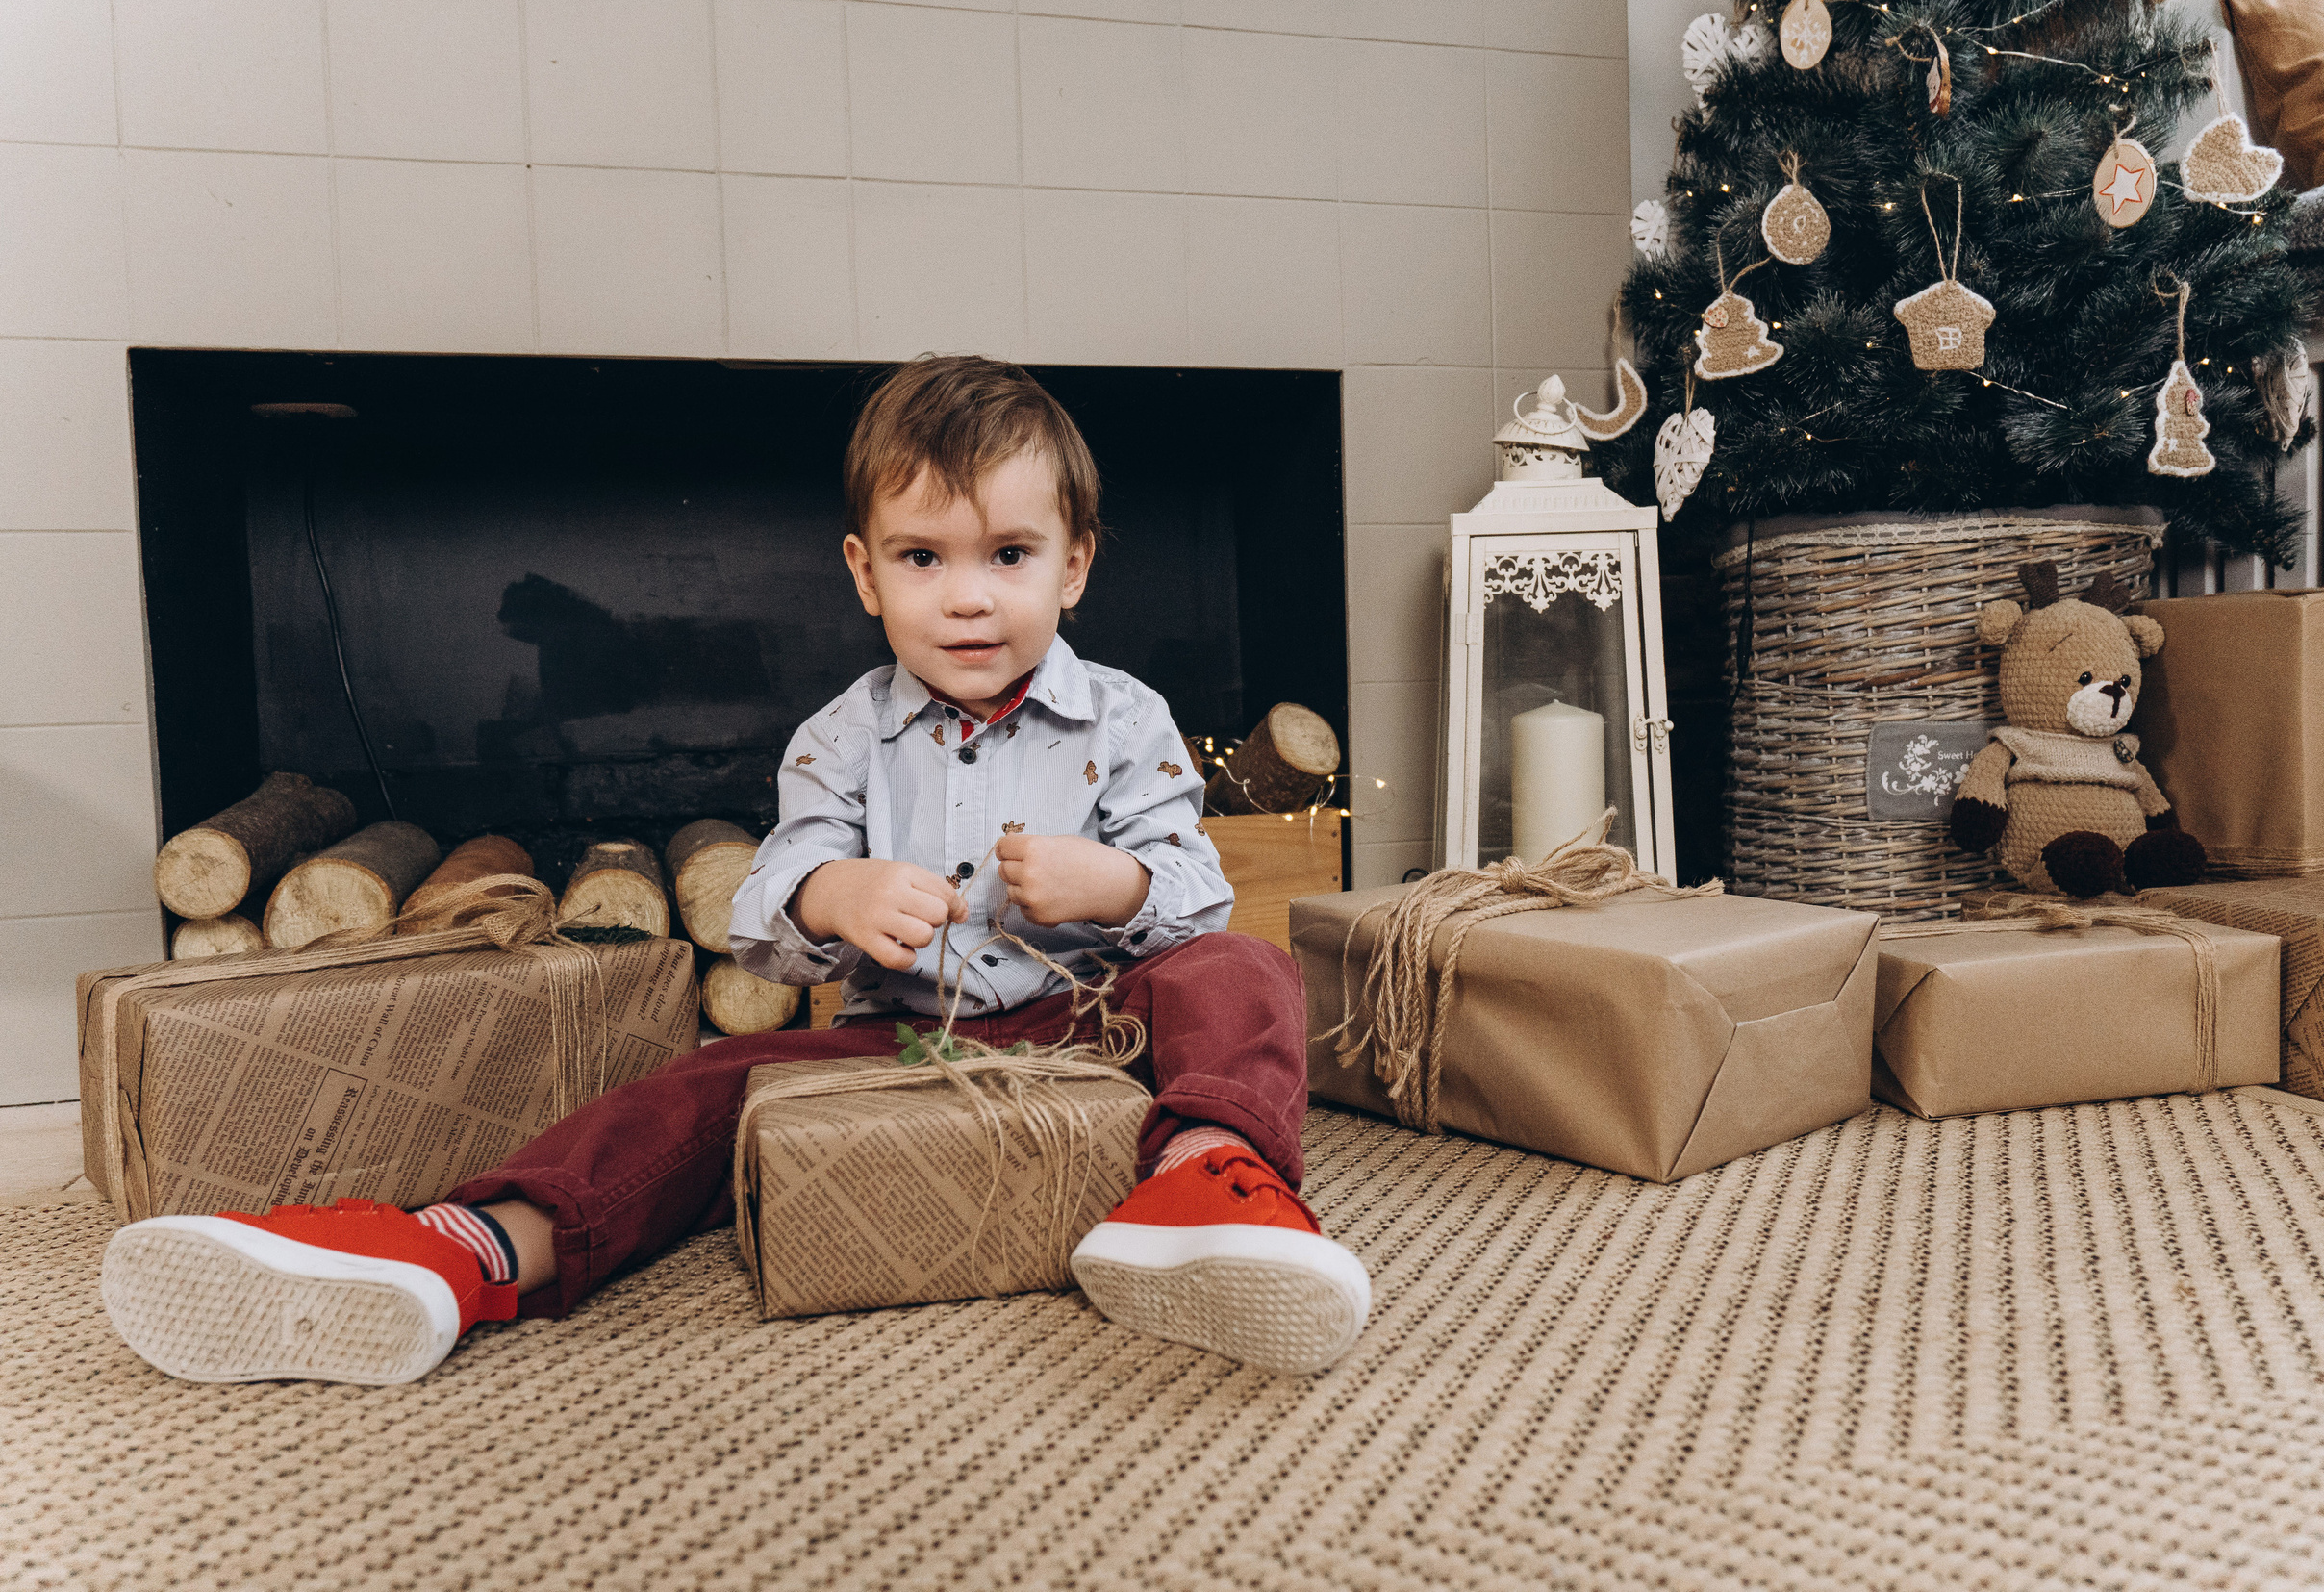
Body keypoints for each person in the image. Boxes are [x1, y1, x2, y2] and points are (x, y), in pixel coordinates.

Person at [97, 355, 1372, 1387]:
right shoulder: (842, 737)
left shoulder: (1129, 720)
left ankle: (1208, 1185)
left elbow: (1196, 892)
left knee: (1243, 969)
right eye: (923, 559)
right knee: (706, 1084)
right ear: (866, 574)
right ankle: (468, 1248)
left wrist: (1118, 887)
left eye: (1010, 556)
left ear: (1074, 565)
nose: (968, 599)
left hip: (1096, 1028)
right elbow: (766, 908)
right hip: (902, 1044)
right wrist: (833, 895)